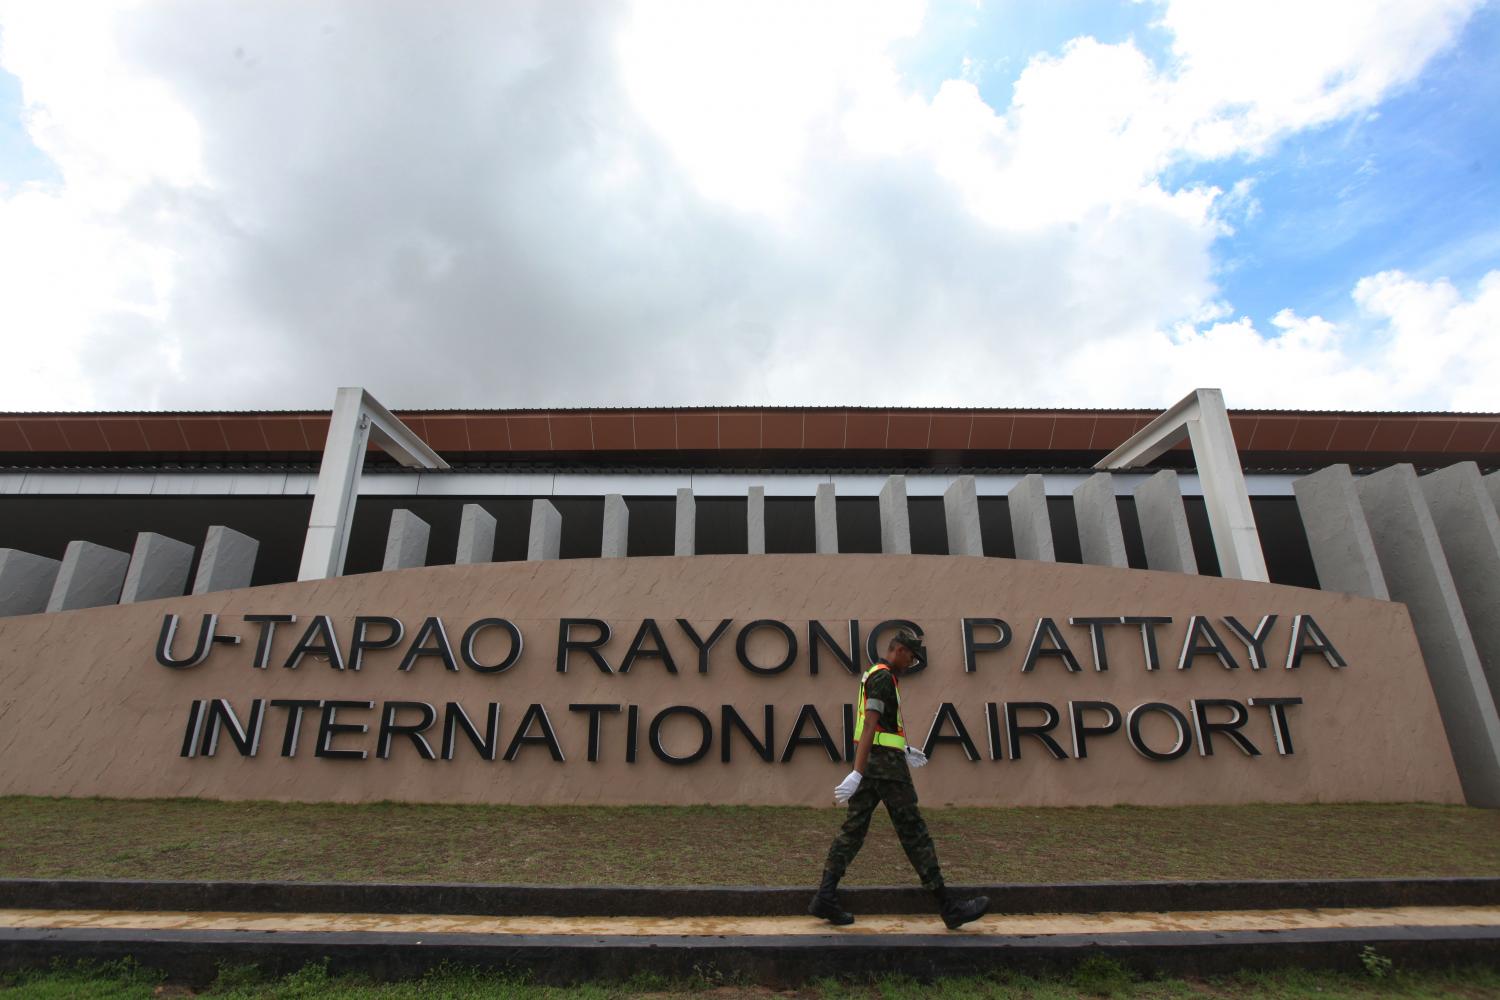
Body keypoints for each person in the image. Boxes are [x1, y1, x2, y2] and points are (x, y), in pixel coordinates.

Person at [809, 629, 990, 930]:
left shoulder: (876, 674)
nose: (912, 663)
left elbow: (881, 729)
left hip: (878, 763)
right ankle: (949, 908)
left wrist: (901, 748)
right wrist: (857, 770)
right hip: (886, 770)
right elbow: (870, 724)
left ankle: (825, 897)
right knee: (914, 833)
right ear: (900, 650)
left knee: (853, 830)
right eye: (912, 656)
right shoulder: (883, 677)